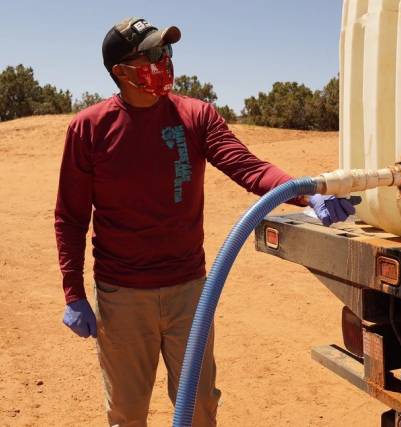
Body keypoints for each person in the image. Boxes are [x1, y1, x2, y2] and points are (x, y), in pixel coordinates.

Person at [54, 16, 359, 427]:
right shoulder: (89, 129)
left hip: (189, 293)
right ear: (121, 72)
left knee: (198, 410)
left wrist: (308, 192)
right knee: (126, 414)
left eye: (167, 51)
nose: (165, 61)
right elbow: (70, 218)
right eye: (153, 55)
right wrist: (74, 292)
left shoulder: (195, 116)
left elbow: (248, 167)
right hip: (122, 296)